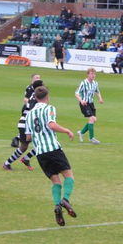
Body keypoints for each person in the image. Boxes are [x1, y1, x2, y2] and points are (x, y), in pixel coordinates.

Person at [25, 86, 76, 226]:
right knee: (69, 176)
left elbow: (28, 136)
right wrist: (67, 131)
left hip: (40, 153)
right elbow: (51, 125)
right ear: (47, 97)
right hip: (53, 148)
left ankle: (57, 206)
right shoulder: (49, 108)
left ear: (35, 98)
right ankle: (65, 199)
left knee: (56, 181)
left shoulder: (29, 114)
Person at [3, 79, 44, 170]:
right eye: (43, 85)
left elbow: (25, 109)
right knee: (41, 143)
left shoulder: (33, 96)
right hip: (28, 124)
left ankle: (9, 163)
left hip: (24, 122)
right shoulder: (37, 97)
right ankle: (24, 159)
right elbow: (34, 111)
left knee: (24, 147)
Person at [75, 68, 104, 144]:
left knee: (94, 119)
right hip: (84, 103)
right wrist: (81, 100)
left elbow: (97, 91)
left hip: (91, 103)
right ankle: (92, 138)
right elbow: (76, 93)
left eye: (94, 74)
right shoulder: (83, 83)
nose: (93, 75)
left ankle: (81, 132)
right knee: (91, 119)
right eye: (91, 74)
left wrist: (100, 98)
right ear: (88, 74)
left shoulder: (95, 83)